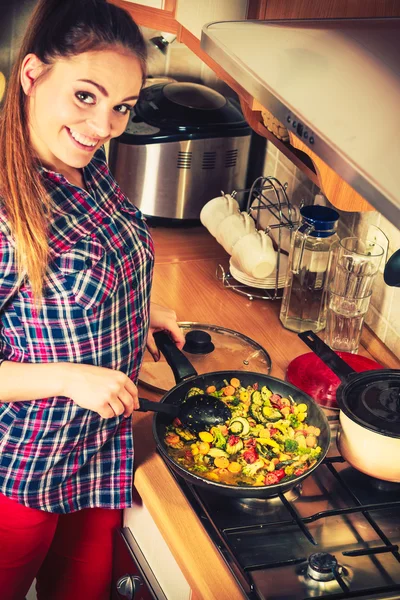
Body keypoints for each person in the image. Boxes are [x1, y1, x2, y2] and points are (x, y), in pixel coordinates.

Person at [0, 0, 185, 598]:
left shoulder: (89, 165)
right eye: (86, 95)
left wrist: (136, 308)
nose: (103, 125)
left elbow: (87, 272)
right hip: (23, 472)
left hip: (101, 453)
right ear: (32, 74)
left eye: (122, 107)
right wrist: (69, 379)